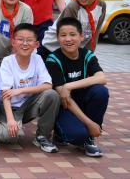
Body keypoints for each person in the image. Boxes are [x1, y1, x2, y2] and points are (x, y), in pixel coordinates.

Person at [45, 17, 109, 157]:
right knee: (78, 135)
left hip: (84, 104)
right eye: (63, 35)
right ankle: (63, 134)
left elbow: (102, 78)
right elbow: (65, 98)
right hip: (65, 108)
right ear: (57, 38)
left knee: (101, 91)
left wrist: (69, 86)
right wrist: (89, 123)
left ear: (81, 36)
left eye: (72, 35)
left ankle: (89, 139)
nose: (68, 39)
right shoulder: (53, 60)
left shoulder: (87, 55)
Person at [0, 24, 60, 153]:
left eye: (29, 40)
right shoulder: (8, 61)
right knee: (10, 138)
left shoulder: (38, 59)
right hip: (8, 108)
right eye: (20, 39)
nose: (25, 43)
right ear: (13, 42)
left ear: (36, 44)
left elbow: (48, 85)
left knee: (52, 95)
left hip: (27, 107)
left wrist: (20, 90)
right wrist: (10, 120)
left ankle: (42, 136)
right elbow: (5, 94)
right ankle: (4, 125)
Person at [40, 0, 106, 58]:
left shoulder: (101, 6)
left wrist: (89, 55)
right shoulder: (73, 6)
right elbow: (67, 35)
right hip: (52, 48)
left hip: (74, 48)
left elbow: (95, 34)